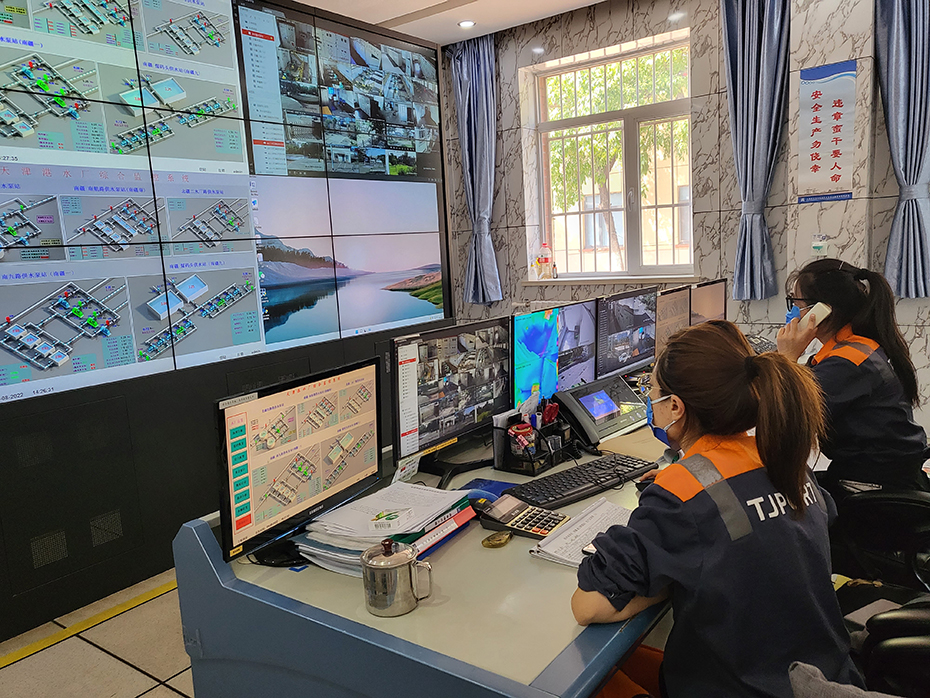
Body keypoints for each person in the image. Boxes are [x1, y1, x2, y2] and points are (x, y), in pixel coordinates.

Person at [572, 320, 862, 697]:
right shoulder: (784, 458)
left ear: (675, 407)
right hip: (822, 679)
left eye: (651, 390)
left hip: (743, 686)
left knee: (586, 680)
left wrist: (676, 575)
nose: (649, 399)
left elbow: (588, 606)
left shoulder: (682, 489)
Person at [777, 259, 930, 498]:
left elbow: (786, 416)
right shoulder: (857, 346)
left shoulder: (847, 362)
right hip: (888, 472)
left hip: (871, 483)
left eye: (797, 304)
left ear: (822, 311)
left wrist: (786, 358)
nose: (793, 313)